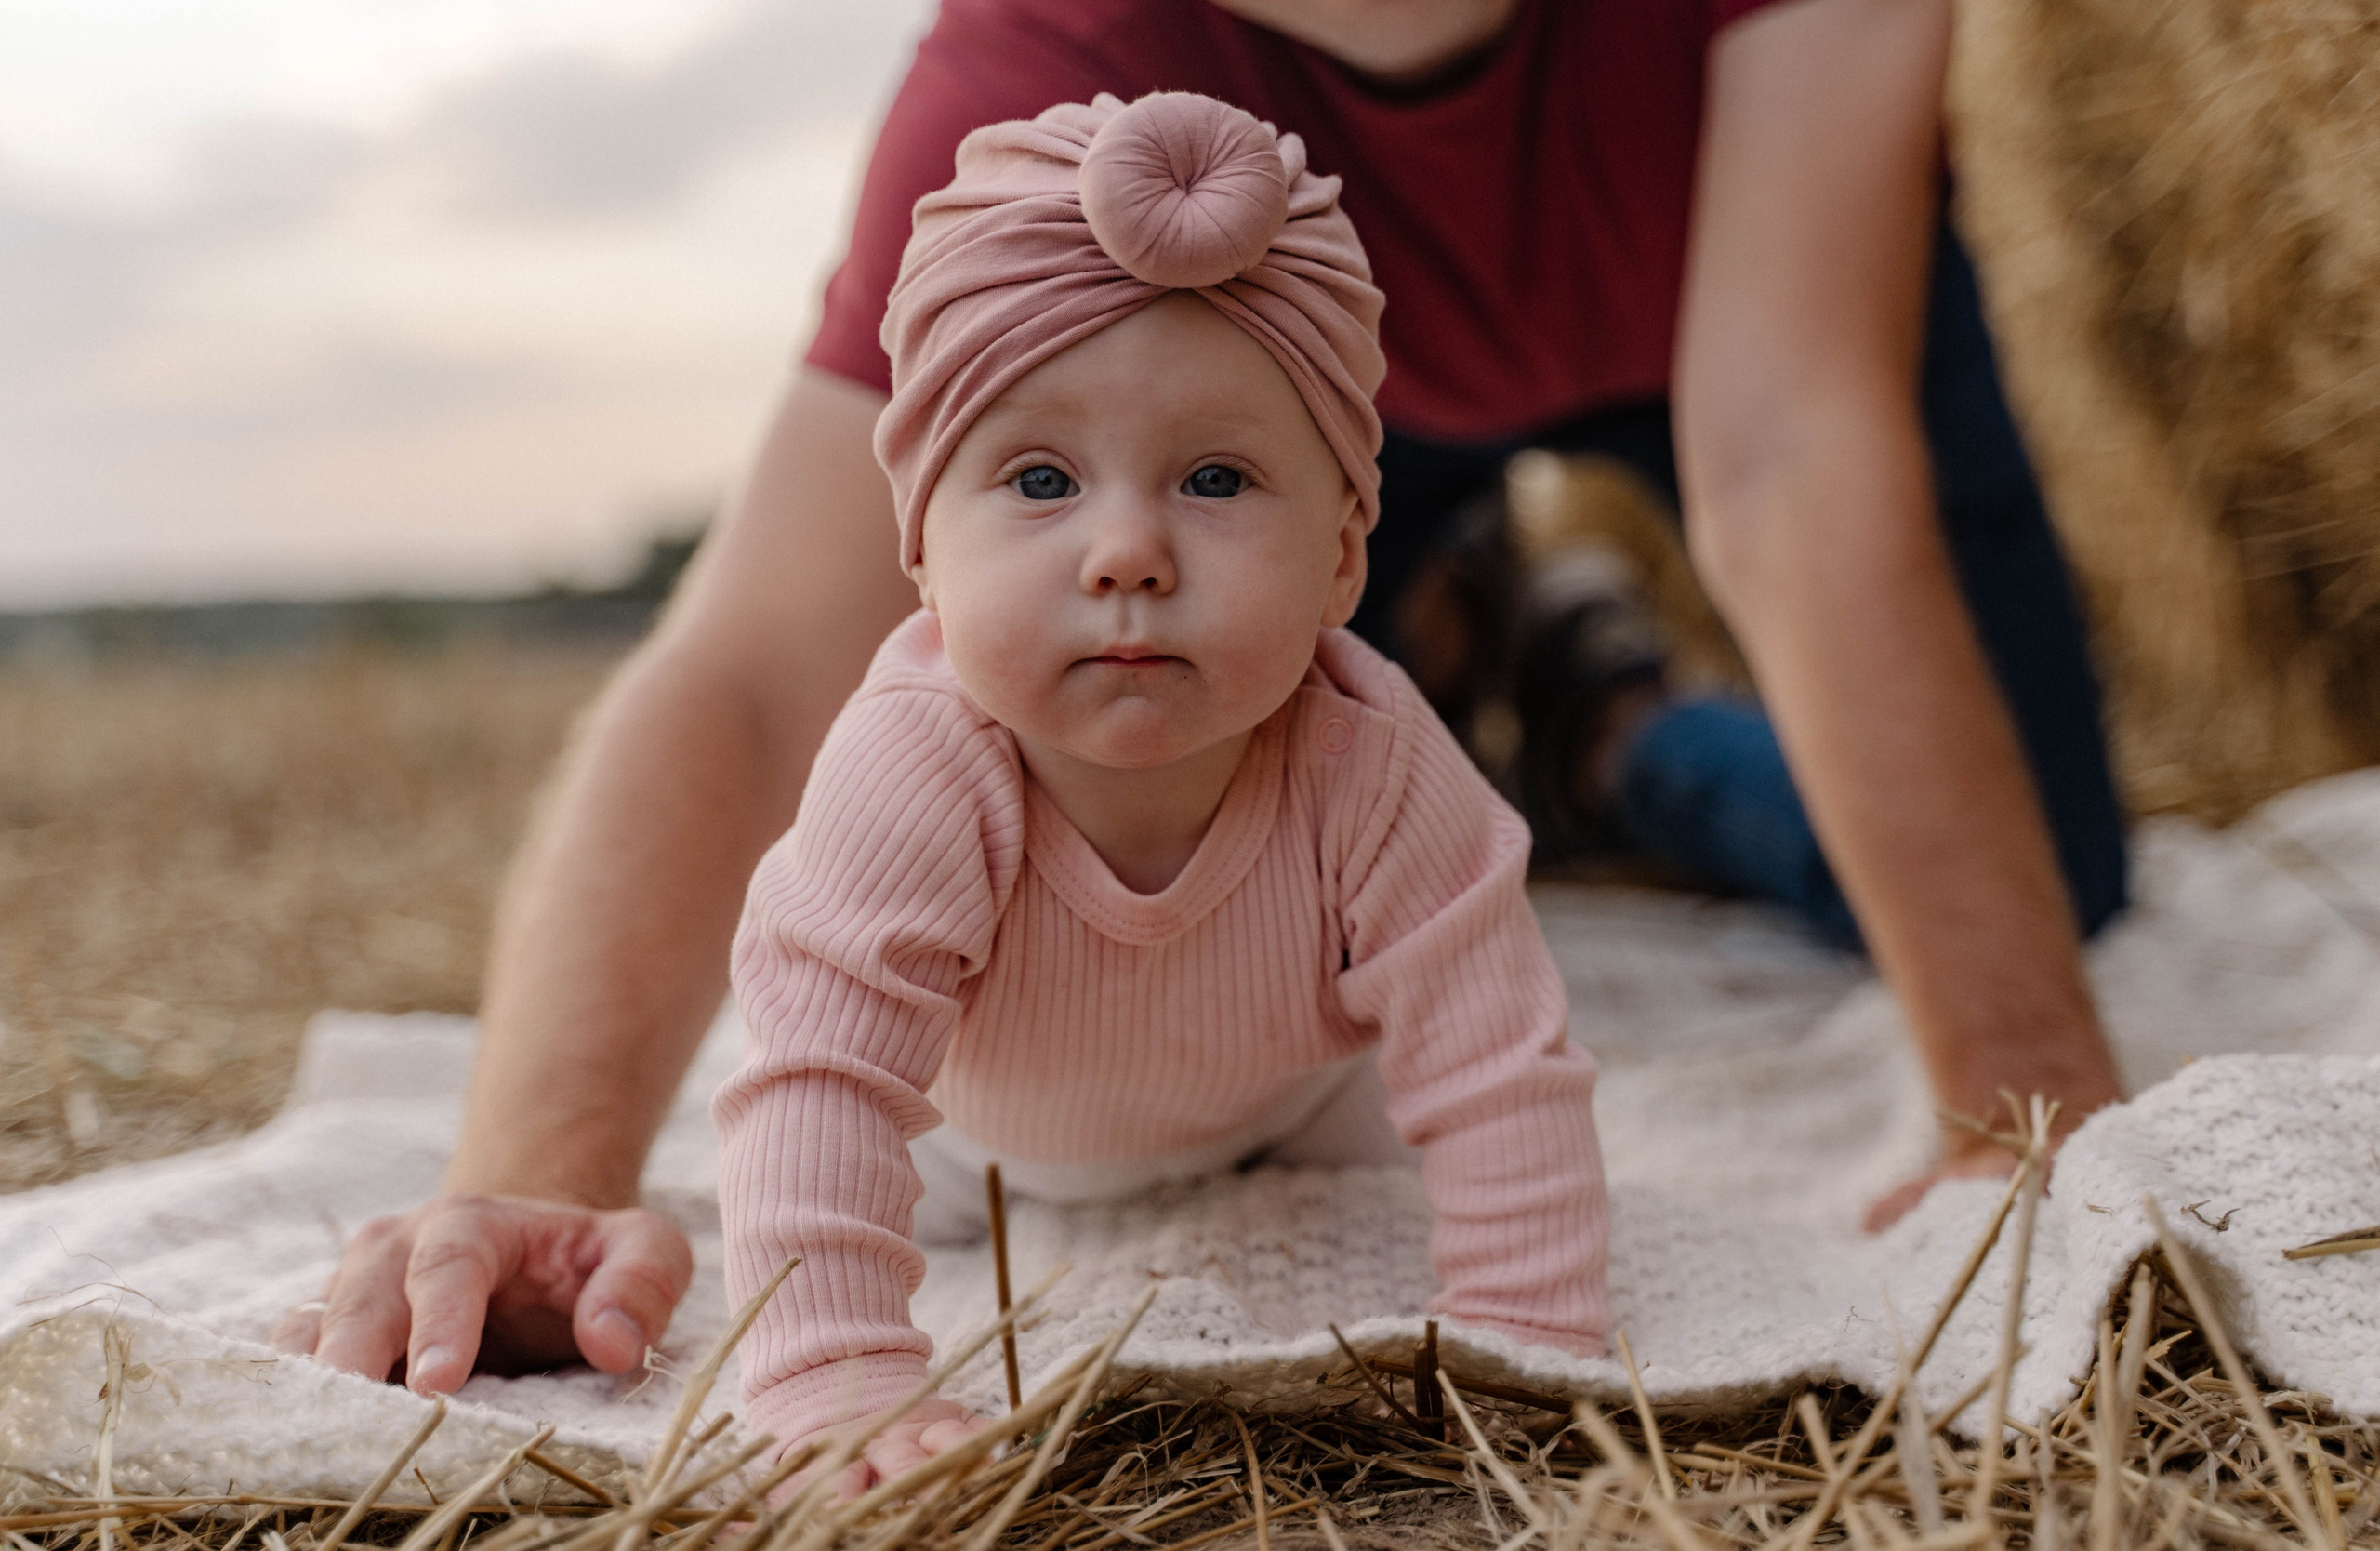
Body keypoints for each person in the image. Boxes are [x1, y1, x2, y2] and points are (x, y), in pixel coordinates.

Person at [274, 0, 2129, 1398]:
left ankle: (1607, 724)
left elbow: (1795, 457)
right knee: (1190, 705)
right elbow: (765, 667)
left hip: (1742, 310)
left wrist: (2014, 1097)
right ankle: (1470, 628)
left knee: (2045, 871)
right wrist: (535, 1175)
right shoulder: (1045, 65)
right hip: (1268, 425)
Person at [719, 92, 1608, 1491]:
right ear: (925, 560)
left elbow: (1496, 1069)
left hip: (1296, 1111)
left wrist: (1528, 1351)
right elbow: (824, 1083)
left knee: (1433, 1139)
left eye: (1214, 477)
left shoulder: (1371, 756)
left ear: (1339, 561)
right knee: (798, 1139)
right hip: (975, 1161)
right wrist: (838, 1382)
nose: (1127, 550)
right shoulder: (918, 765)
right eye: (1039, 478)